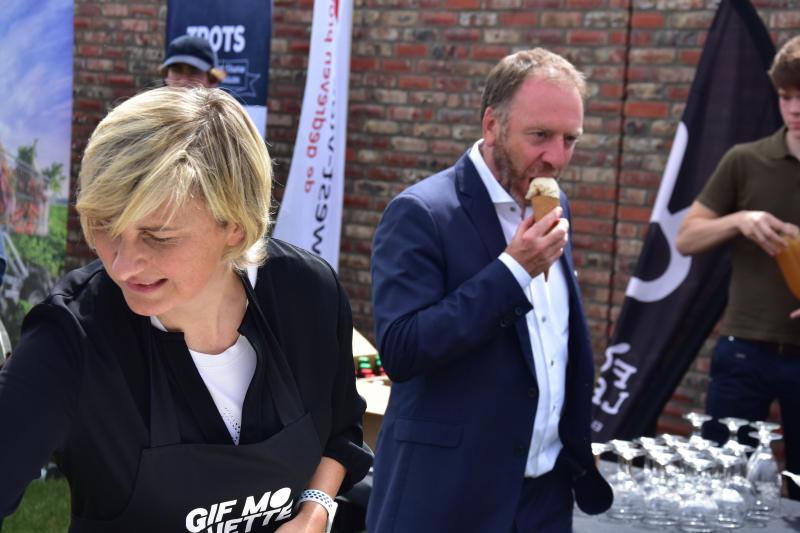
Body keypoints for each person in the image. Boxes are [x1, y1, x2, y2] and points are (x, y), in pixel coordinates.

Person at [0, 87, 372, 532]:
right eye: (105, 226)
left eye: (157, 236)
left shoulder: (307, 295)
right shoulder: (70, 339)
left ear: (235, 226)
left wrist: (314, 512)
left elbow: (342, 431)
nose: (122, 264)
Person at [367, 48, 612, 533]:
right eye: (540, 136)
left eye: (570, 140)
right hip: (448, 499)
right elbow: (401, 349)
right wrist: (512, 270)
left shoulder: (553, 200)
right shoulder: (422, 212)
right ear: (492, 125)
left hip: (544, 499)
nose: (557, 158)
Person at [676, 35, 800, 497]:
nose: (794, 108)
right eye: (787, 96)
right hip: (744, 350)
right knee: (725, 485)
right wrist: (739, 220)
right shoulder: (745, 161)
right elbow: (686, 238)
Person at [160, 34, 226, 88]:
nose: (183, 81)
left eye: (194, 72)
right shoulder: (152, 103)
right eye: (176, 70)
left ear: (213, 79)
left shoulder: (232, 103)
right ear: (166, 76)